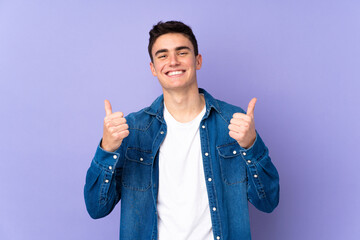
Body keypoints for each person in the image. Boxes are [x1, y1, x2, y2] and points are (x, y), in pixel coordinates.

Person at [84, 20, 279, 240]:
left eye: (182, 52)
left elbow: (268, 201)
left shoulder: (232, 122)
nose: (173, 62)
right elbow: (96, 208)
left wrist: (251, 144)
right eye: (163, 55)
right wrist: (107, 149)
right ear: (153, 68)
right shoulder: (133, 130)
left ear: (198, 61)